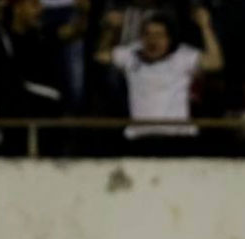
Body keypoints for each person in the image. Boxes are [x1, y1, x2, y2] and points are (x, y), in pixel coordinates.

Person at [96, 9, 223, 156]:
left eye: (159, 35)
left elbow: (215, 62)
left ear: (169, 38)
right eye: (147, 34)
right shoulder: (131, 55)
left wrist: (205, 27)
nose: (152, 41)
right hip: (139, 138)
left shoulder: (182, 56)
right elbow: (101, 56)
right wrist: (110, 30)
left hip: (178, 138)